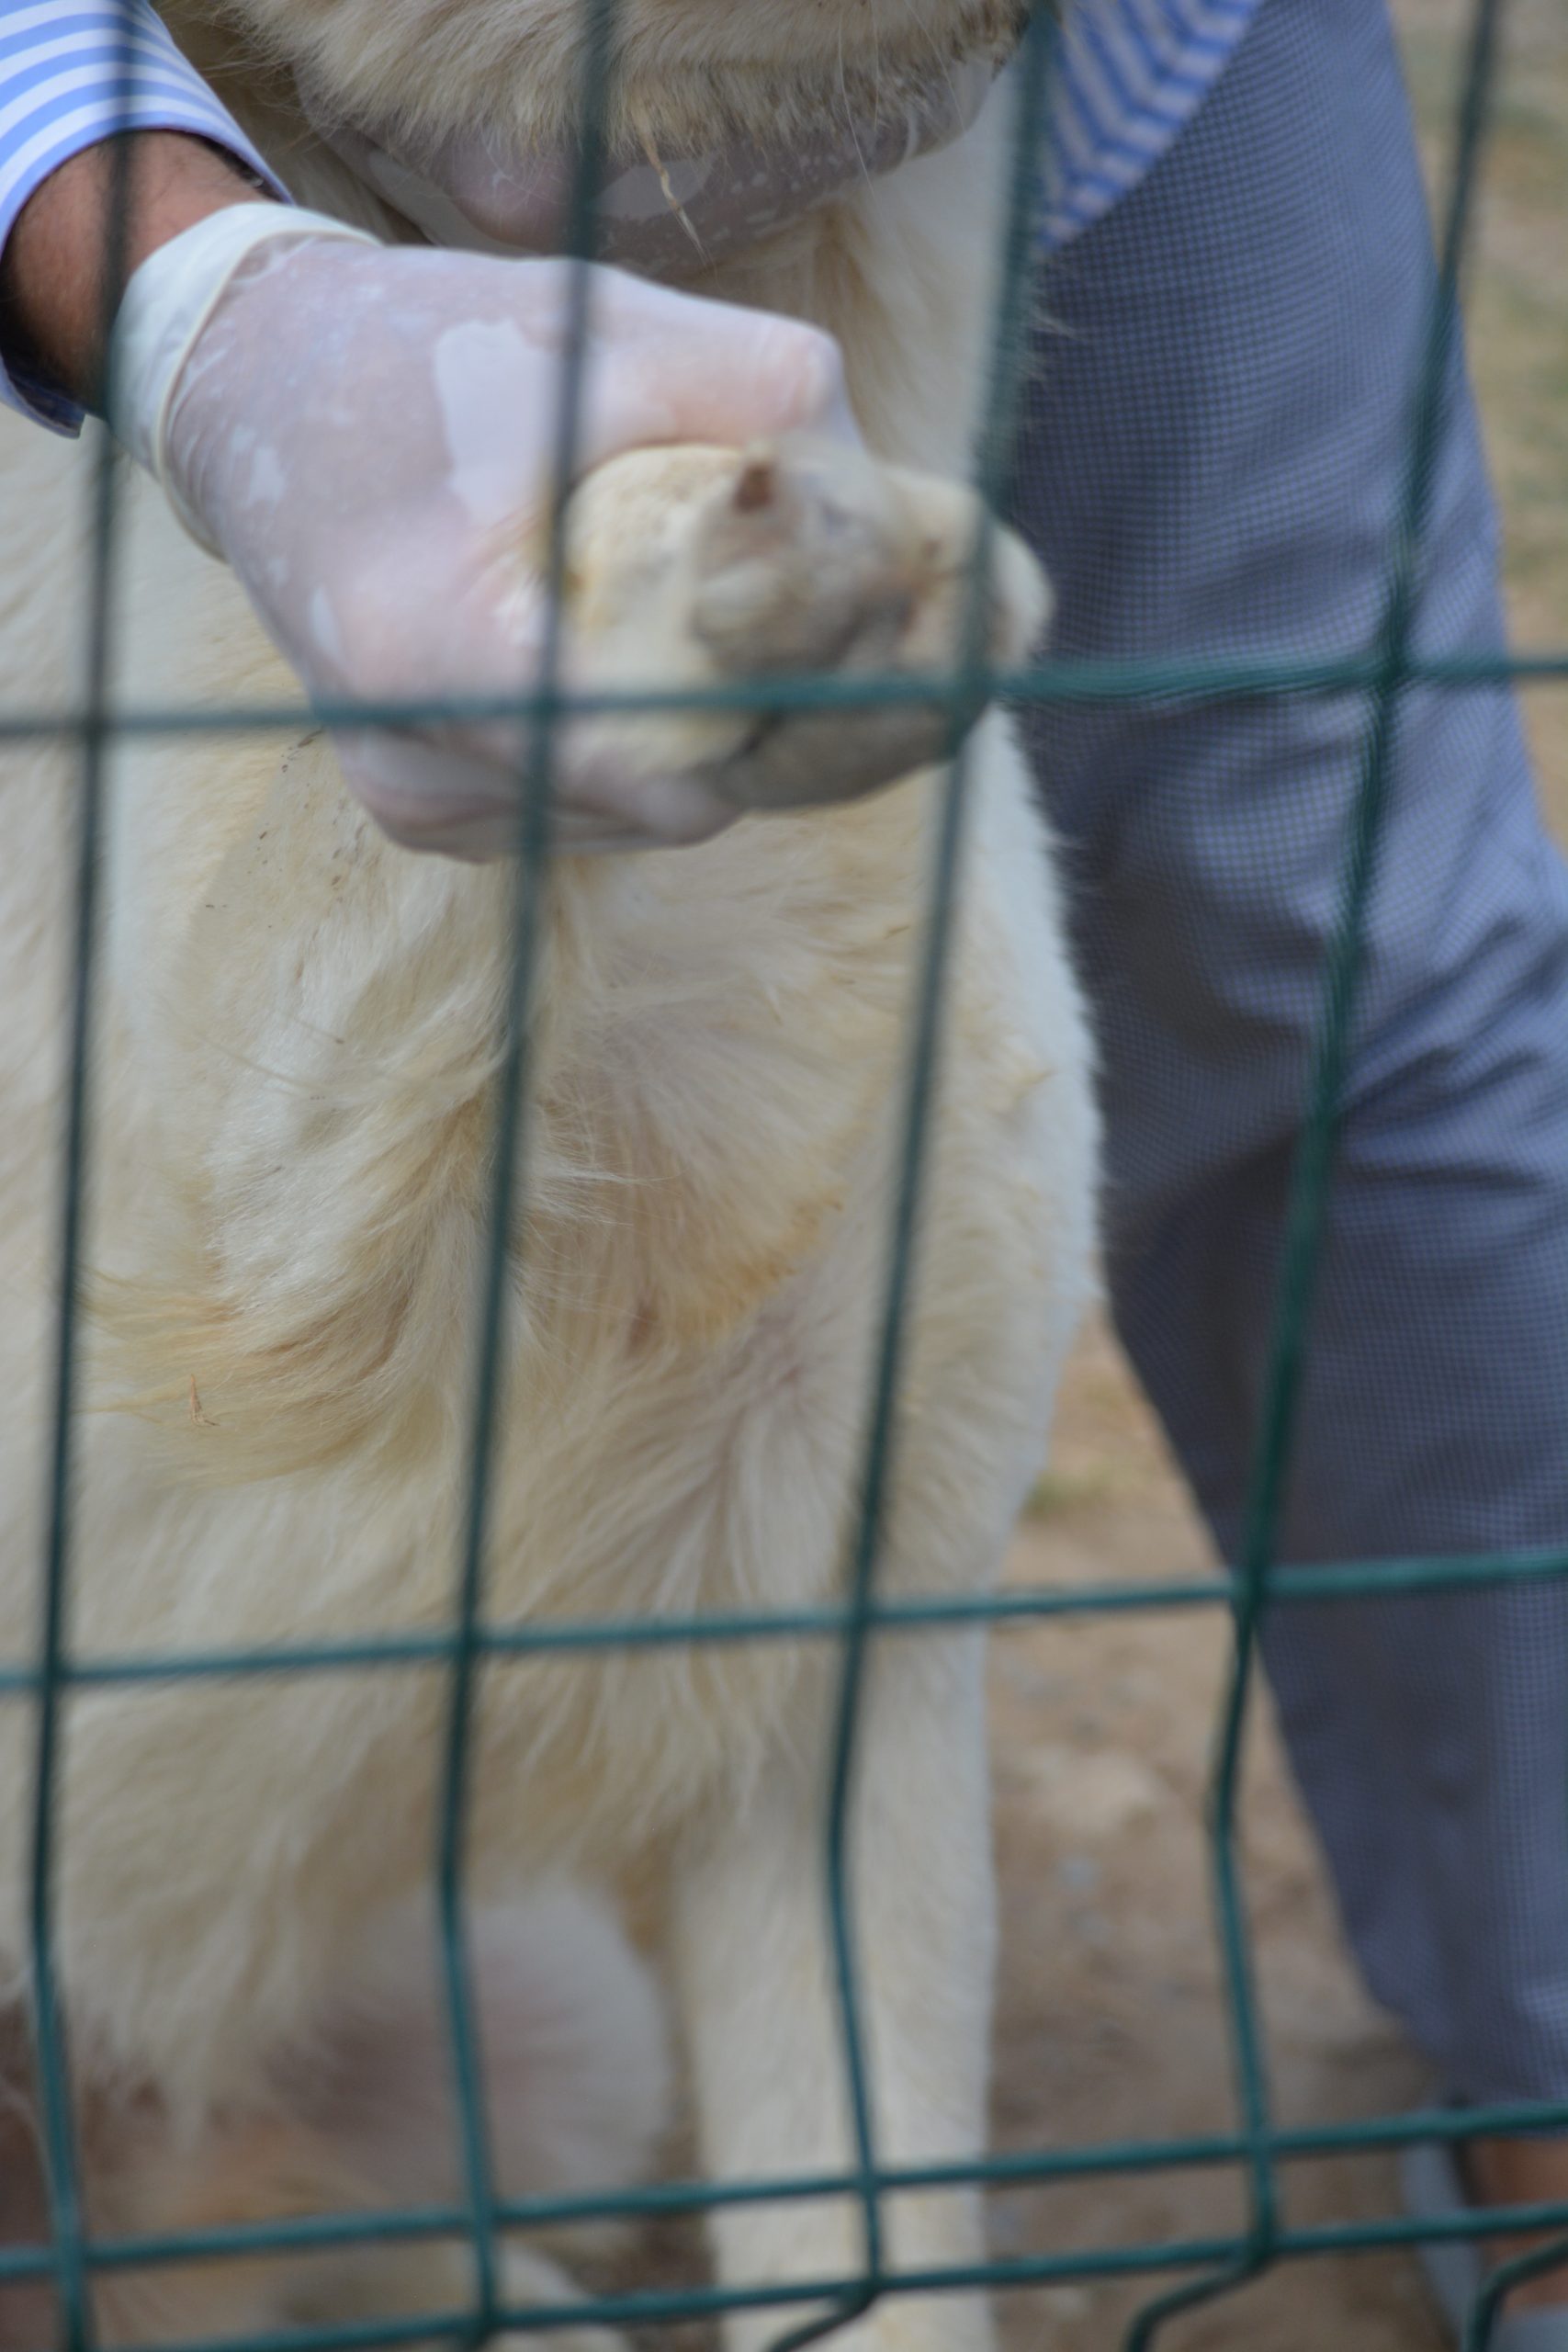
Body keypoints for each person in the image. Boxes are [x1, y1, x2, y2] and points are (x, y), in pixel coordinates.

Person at [2, 1, 1566, 2341]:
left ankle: (1544, 2063)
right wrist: (196, 286)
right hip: (215, 132)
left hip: (1049, 109)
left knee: (1345, 955)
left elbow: (835, 1685)